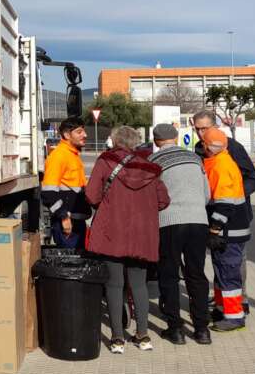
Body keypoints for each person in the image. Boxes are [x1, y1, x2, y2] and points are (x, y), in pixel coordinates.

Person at [85, 125, 170, 353]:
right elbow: (163, 201)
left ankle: (117, 339)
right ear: (135, 143)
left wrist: (107, 205)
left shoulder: (105, 161)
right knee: (139, 284)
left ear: (113, 141)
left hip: (113, 232)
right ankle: (143, 336)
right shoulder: (150, 168)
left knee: (114, 285)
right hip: (142, 234)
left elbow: (92, 194)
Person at [150, 124, 212, 345]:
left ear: (156, 141)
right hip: (198, 221)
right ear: (176, 138)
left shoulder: (154, 162)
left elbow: (152, 196)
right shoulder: (196, 159)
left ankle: (175, 329)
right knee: (196, 274)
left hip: (169, 222)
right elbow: (207, 194)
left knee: (169, 275)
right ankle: (202, 329)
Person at [192, 110, 255, 312]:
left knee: (235, 261)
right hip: (213, 214)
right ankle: (223, 298)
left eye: (205, 128)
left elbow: (253, 177)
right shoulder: (199, 148)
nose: (201, 133)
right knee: (219, 259)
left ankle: (241, 301)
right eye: (198, 129)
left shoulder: (232, 147)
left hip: (235, 213)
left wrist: (232, 195)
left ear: (215, 127)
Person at [202, 128, 251, 332]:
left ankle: (234, 317)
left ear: (208, 146)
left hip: (228, 231)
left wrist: (214, 229)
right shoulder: (220, 160)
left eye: (203, 142)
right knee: (222, 271)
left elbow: (224, 203)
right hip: (231, 229)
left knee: (228, 272)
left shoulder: (221, 166)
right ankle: (223, 309)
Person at [41, 117, 91, 248]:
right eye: (79, 132)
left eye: (84, 131)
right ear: (67, 135)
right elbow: (48, 193)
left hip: (76, 221)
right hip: (67, 224)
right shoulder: (59, 156)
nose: (85, 135)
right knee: (70, 264)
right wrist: (64, 217)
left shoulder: (72, 155)